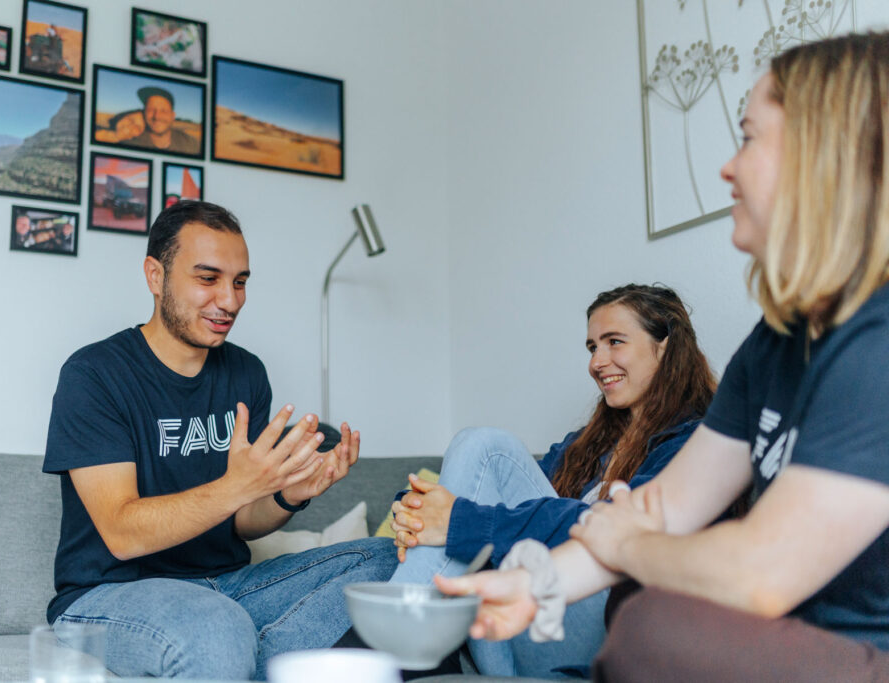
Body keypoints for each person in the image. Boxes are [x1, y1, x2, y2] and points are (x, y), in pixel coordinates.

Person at [438, 32, 889, 683]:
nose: (728, 168)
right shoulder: (775, 343)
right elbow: (667, 508)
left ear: (826, 154)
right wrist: (541, 581)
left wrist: (631, 545)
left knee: (655, 625)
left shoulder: (876, 340)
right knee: (645, 607)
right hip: (797, 637)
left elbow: (758, 572)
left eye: (749, 137)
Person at [42, 200, 398, 680]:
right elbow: (123, 534)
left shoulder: (247, 373)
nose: (229, 300)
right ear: (155, 275)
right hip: (110, 594)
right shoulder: (95, 375)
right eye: (207, 279)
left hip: (229, 585)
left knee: (386, 561)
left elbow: (242, 523)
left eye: (240, 282)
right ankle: (249, 652)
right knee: (215, 625)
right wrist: (240, 484)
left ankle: (234, 657)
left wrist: (288, 495)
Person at [390, 283, 715, 676]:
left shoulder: (692, 443)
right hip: (514, 620)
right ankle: (400, 651)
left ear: (665, 347)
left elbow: (618, 534)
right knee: (475, 474)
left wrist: (457, 519)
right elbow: (510, 509)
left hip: (601, 624)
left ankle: (382, 651)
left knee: (488, 447)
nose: (598, 361)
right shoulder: (584, 445)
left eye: (614, 342)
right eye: (593, 347)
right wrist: (415, 509)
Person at [125, 86, 200, 155]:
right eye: (150, 110)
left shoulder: (191, 145)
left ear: (172, 116)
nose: (157, 116)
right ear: (143, 113)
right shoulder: (130, 143)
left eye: (163, 111)